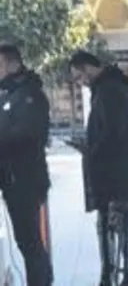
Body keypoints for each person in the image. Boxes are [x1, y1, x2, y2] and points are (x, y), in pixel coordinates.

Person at [69, 50, 128, 286]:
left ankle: (115, 274)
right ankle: (127, 272)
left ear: (86, 68)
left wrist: (91, 149)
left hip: (118, 176)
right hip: (124, 173)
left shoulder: (108, 90)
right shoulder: (114, 85)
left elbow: (112, 133)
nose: (80, 83)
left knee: (111, 223)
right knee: (119, 223)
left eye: (78, 77)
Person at [0, 42, 51, 286]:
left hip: (25, 180)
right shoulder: (8, 94)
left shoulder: (30, 95)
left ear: (10, 64)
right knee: (26, 242)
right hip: (11, 178)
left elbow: (26, 134)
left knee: (30, 243)